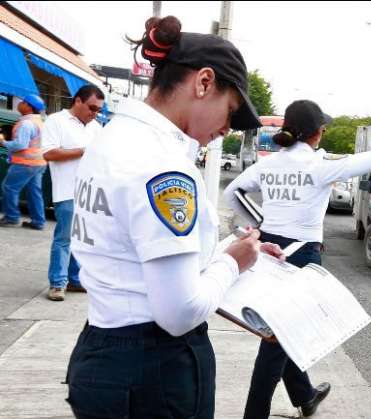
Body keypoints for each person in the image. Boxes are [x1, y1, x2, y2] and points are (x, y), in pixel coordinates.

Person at [64, 16, 282, 418]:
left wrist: (231, 252)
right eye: (230, 112)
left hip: (103, 350)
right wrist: (233, 262)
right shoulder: (164, 166)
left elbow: (141, 248)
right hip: (153, 371)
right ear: (203, 82)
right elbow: (178, 312)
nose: (227, 130)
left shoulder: (111, 139)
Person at [224, 93, 371, 419]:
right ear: (317, 131)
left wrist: (261, 223)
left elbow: (231, 193)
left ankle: (305, 396)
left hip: (268, 252)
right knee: (275, 341)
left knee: (282, 332)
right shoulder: (320, 167)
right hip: (301, 256)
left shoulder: (268, 164)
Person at [41, 85, 105, 301]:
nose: (95, 113)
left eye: (98, 110)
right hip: (67, 190)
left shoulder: (96, 128)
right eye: (92, 108)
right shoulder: (56, 121)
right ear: (78, 101)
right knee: (64, 238)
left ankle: (75, 279)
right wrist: (84, 151)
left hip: (90, 192)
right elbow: (49, 153)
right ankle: (57, 283)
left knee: (81, 239)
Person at [0, 94, 47, 229]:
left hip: (25, 163)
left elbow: (20, 145)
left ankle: (12, 218)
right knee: (34, 192)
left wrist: (3, 142)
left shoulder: (26, 124)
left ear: (28, 107)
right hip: (39, 163)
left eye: (23, 102)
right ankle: (38, 221)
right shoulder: (40, 122)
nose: (20, 104)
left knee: (9, 187)